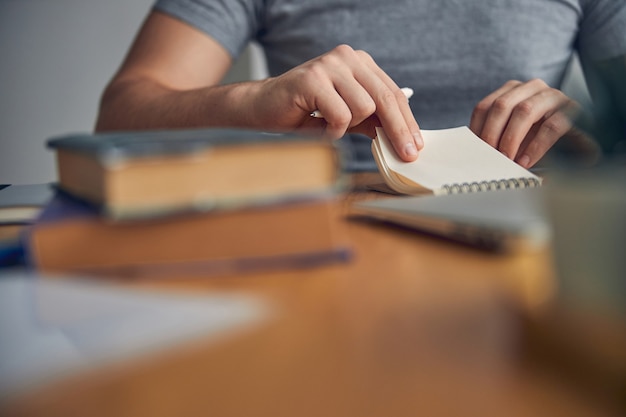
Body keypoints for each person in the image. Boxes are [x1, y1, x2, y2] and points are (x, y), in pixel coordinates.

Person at [95, 0, 626, 169]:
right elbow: (120, 115)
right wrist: (252, 99)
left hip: (533, 233)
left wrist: (597, 129)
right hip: (323, 235)